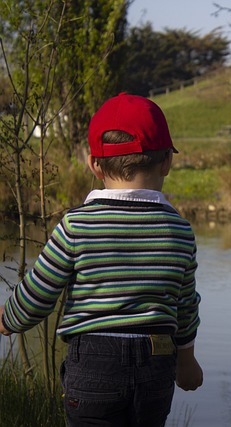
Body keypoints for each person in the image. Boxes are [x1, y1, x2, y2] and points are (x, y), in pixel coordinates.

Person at [0, 93, 203, 426]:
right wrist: (187, 360)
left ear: (95, 165)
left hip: (94, 364)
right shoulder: (179, 229)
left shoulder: (77, 225)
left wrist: (10, 318)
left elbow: (41, 291)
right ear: (167, 161)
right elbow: (185, 305)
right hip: (157, 362)